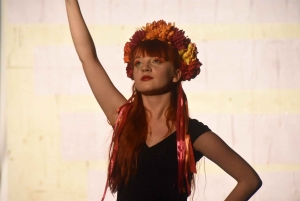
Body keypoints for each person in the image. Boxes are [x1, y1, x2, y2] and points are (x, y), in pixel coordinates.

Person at [65, 0, 262, 200]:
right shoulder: (123, 119)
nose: (144, 67)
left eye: (156, 61)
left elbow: (249, 180)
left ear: (177, 74)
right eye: (138, 62)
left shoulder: (191, 133)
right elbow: (87, 57)